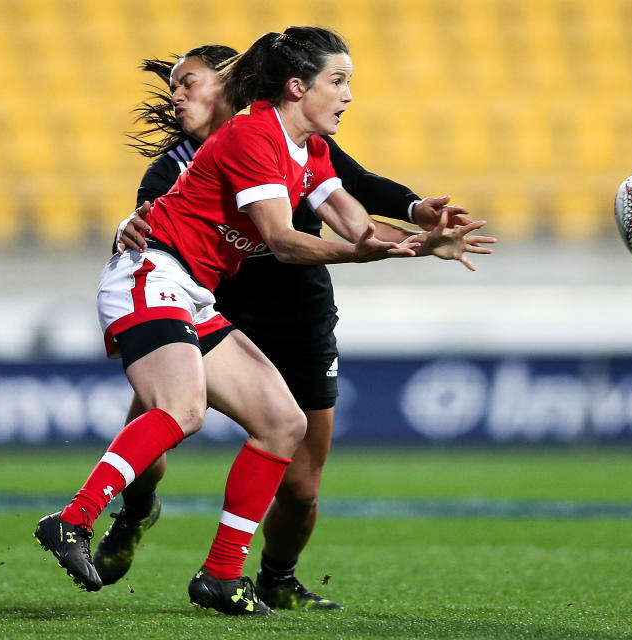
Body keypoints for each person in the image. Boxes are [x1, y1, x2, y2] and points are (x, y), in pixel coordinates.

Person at [33, 26, 493, 617]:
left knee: (282, 423)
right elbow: (282, 241)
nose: (349, 95)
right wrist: (366, 251)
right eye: (339, 81)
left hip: (194, 294)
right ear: (297, 86)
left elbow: (360, 225)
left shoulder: (313, 150)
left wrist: (427, 242)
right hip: (152, 276)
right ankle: (72, 520)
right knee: (181, 410)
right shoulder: (253, 133)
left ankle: (222, 576)